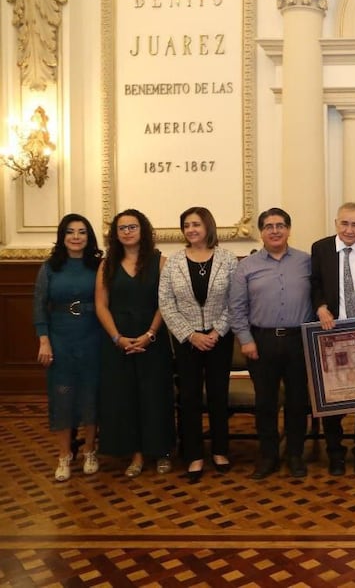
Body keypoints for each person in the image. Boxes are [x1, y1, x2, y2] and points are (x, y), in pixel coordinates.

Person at [230, 208, 313, 480]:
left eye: (280, 225)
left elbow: (320, 298)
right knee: (265, 403)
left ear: (289, 229)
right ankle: (268, 457)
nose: (275, 231)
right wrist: (246, 340)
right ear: (261, 232)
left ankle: (295, 455)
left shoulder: (306, 262)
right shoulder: (246, 267)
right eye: (268, 226)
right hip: (261, 342)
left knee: (298, 402)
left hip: (299, 341)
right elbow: (237, 308)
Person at [158, 207, 238, 483]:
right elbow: (166, 303)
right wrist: (190, 334)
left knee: (218, 396)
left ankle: (220, 451)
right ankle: (193, 454)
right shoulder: (173, 262)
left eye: (197, 224)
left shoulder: (228, 260)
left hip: (220, 338)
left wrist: (217, 331)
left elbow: (235, 300)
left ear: (208, 226)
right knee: (189, 398)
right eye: (187, 225)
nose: (191, 229)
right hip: (187, 341)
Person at [95, 209, 174, 478]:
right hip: (118, 341)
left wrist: (150, 334)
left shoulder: (160, 262)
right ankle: (137, 455)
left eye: (133, 226)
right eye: (122, 228)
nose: (127, 231)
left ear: (143, 230)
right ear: (115, 234)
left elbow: (166, 303)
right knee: (126, 399)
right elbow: (101, 305)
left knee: (156, 397)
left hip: (153, 339)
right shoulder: (107, 264)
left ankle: (162, 452)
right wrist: (117, 337)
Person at [309, 202, 355, 476]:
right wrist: (320, 307)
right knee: (332, 398)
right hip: (332, 332)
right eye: (345, 224)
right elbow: (313, 283)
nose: (350, 230)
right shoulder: (321, 248)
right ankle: (335, 452)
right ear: (336, 223)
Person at [32, 213, 103, 481]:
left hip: (93, 338)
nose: (76, 237)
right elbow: (39, 305)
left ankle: (89, 451)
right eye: (70, 232)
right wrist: (44, 339)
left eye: (82, 232)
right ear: (62, 237)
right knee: (63, 396)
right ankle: (64, 456)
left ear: (89, 236)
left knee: (90, 395)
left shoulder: (99, 265)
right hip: (60, 340)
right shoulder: (50, 266)